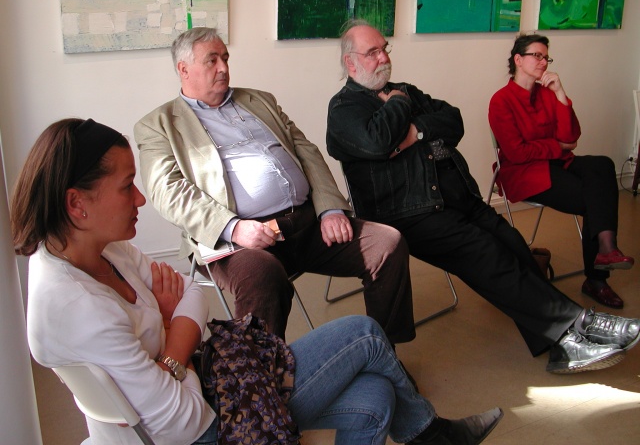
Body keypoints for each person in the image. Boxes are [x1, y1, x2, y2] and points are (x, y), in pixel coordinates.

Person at [12, 118, 504, 445]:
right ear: (77, 204)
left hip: (210, 377)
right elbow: (183, 422)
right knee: (365, 334)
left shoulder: (102, 248)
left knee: (376, 397)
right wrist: (177, 340)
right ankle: (433, 435)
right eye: (126, 187)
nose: (139, 199)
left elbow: (190, 294)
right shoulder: (72, 305)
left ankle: (427, 434)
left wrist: (170, 348)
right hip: (209, 427)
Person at [326, 20, 640, 374]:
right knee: (489, 254)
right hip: (409, 212)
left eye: (385, 49)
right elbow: (377, 142)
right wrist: (399, 103)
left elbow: (453, 120)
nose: (384, 58)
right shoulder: (345, 108)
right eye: (373, 52)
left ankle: (560, 345)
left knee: (514, 246)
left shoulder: (405, 89)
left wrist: (416, 131)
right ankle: (579, 324)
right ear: (351, 62)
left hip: (459, 197)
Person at [134, 27, 415, 344]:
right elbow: (167, 191)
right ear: (184, 69)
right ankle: (264, 370)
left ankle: (384, 351)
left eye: (225, 58)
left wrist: (330, 209)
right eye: (212, 60)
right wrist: (234, 228)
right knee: (263, 275)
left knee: (387, 243)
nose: (224, 67)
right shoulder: (159, 125)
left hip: (306, 223)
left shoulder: (259, 100)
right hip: (239, 241)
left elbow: (306, 152)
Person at [488, 33, 634, 309]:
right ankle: (597, 279)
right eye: (537, 56)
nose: (543, 62)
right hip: (525, 173)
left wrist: (560, 93)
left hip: (558, 162)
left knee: (602, 164)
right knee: (595, 198)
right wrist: (557, 146)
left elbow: (571, 137)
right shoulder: (501, 100)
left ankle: (607, 249)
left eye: (546, 57)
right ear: (518, 59)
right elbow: (518, 153)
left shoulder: (547, 93)